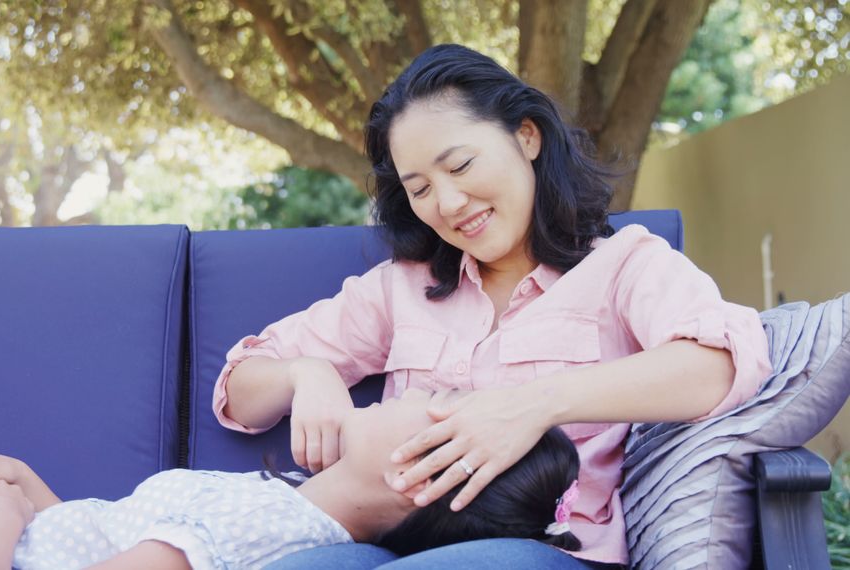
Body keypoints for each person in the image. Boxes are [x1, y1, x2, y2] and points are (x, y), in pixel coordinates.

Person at [214, 44, 773, 568]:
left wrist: (534, 406)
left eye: (458, 166)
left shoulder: (624, 266)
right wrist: (305, 373)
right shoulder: (399, 289)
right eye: (420, 188)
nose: (449, 203)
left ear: (526, 137)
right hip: (397, 547)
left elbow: (719, 364)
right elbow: (239, 389)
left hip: (546, 550)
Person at [0, 388, 582, 570]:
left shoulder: (262, 536)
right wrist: (17, 480)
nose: (422, 391)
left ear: (416, 477)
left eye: (440, 410)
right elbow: (96, 538)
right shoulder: (279, 502)